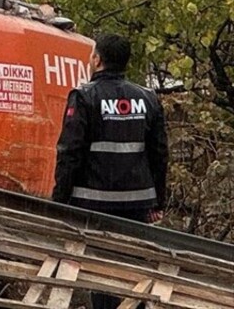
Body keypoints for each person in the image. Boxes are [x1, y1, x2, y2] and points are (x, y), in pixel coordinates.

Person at [54, 34, 169, 309]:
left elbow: (69, 153)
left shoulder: (83, 97)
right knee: (134, 273)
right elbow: (160, 154)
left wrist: (60, 202)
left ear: (98, 60)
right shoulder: (148, 99)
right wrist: (158, 200)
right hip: (137, 206)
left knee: (102, 274)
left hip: (93, 204)